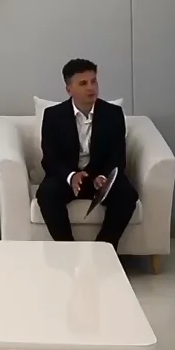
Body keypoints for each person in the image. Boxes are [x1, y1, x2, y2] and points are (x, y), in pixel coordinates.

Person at [35, 59, 137, 249]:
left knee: (127, 195)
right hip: (68, 177)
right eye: (83, 83)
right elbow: (50, 158)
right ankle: (68, 251)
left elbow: (117, 155)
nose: (91, 87)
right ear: (69, 89)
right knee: (47, 193)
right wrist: (71, 176)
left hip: (100, 176)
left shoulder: (113, 113)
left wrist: (104, 176)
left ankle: (103, 249)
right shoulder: (53, 115)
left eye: (93, 81)